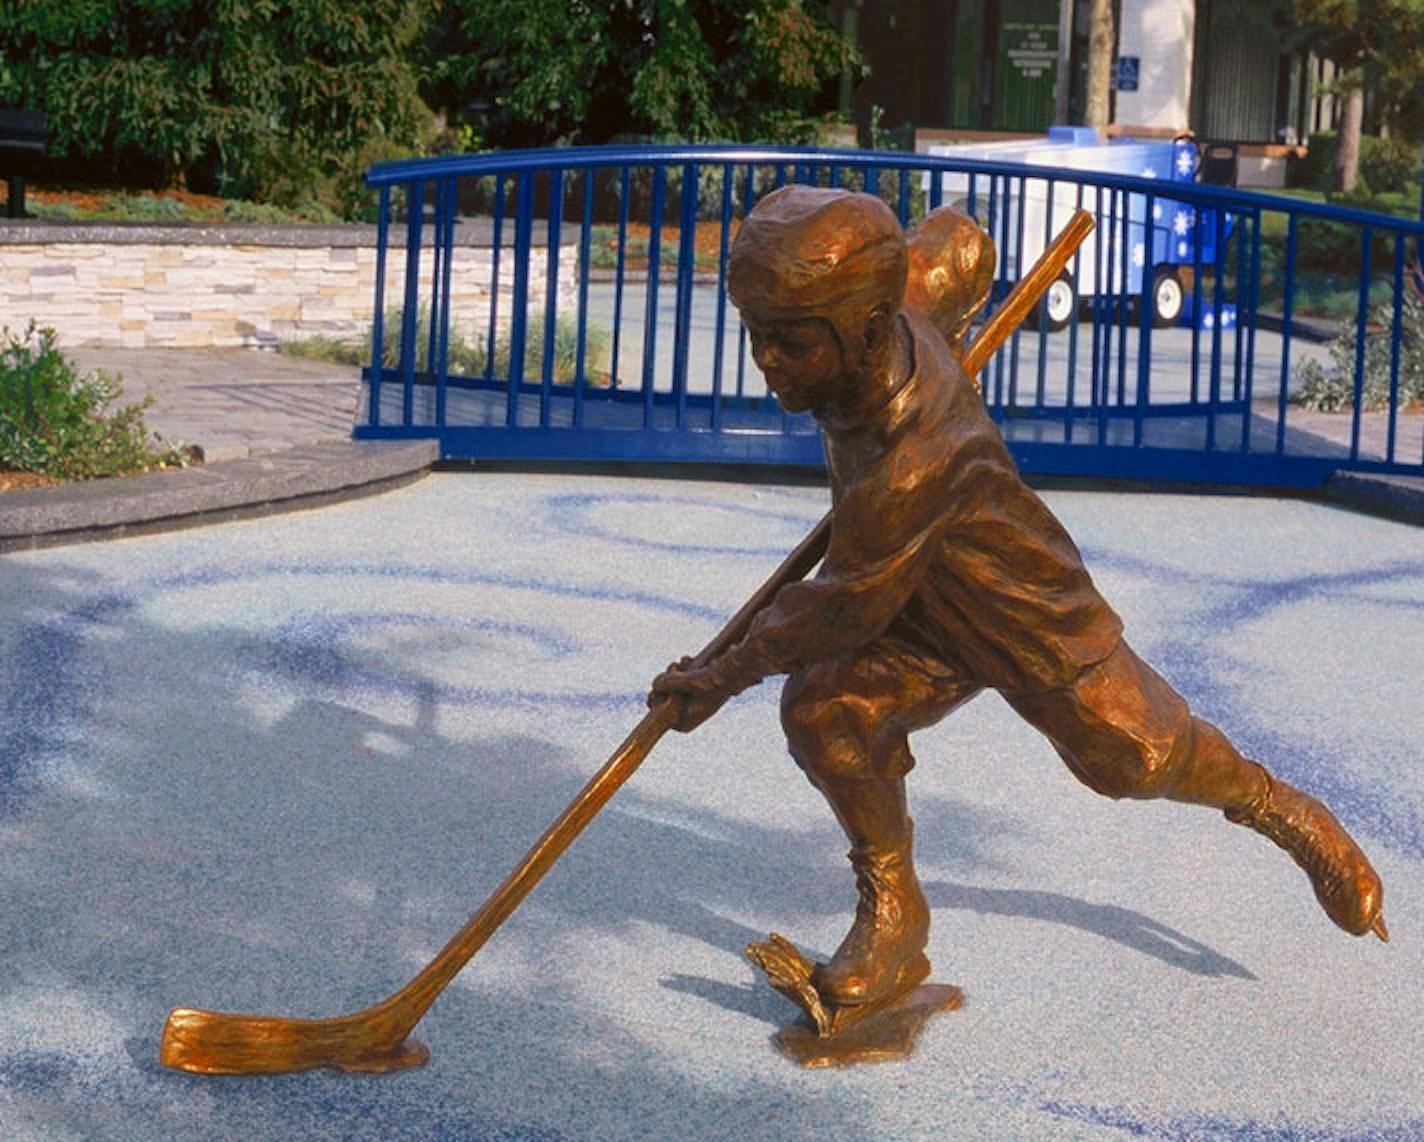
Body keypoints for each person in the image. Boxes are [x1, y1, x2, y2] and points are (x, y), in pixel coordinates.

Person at [649, 185, 1387, 1017]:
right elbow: (958, 245)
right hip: (915, 615)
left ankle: (1278, 806)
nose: (767, 362)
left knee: (1134, 755)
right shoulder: (901, 300)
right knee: (826, 709)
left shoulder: (913, 458)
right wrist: (960, 315)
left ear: (862, 329)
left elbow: (831, 611)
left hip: (1018, 604)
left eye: (789, 345)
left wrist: (717, 675)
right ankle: (894, 912)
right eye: (756, 336)